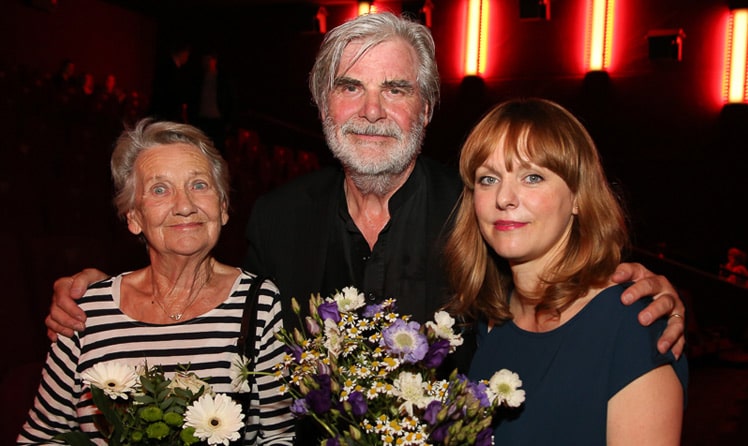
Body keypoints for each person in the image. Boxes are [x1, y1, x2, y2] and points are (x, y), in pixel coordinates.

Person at [44, 12, 685, 366]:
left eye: (396, 89)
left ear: (427, 108)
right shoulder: (277, 216)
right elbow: (218, 310)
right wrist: (101, 294)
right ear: (324, 105)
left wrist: (632, 286)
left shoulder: (484, 210)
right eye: (351, 87)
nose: (372, 110)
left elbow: (559, 293)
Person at [18, 119, 294, 444]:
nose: (184, 206)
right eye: (160, 189)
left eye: (199, 185)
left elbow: (279, 437)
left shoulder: (260, 304)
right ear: (134, 217)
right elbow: (40, 438)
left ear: (223, 208)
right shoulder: (86, 311)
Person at [445, 98, 688, 444]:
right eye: (488, 178)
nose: (504, 198)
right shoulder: (490, 324)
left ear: (577, 197)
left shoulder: (632, 324)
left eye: (532, 177)